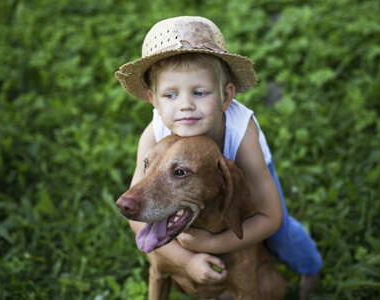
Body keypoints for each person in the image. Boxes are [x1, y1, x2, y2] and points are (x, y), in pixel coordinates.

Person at [115, 16, 322, 299]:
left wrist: (212, 244)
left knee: (280, 233)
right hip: (196, 180)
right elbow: (135, 209)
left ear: (226, 97)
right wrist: (187, 259)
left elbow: (269, 216)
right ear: (154, 100)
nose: (186, 105)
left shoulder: (242, 131)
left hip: (250, 170)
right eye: (171, 95)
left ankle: (310, 267)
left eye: (199, 92)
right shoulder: (153, 135)